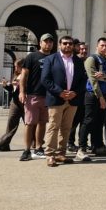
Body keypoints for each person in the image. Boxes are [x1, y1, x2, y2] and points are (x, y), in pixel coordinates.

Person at [40, 36, 86, 167]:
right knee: (53, 127)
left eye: (70, 44)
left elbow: (83, 80)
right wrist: (60, 92)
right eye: (65, 43)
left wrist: (75, 92)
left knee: (66, 128)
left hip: (72, 99)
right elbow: (45, 79)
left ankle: (61, 153)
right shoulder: (50, 59)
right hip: (56, 99)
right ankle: (50, 155)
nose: (68, 46)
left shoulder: (78, 61)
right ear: (60, 45)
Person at [18, 33, 54, 162]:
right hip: (33, 95)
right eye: (46, 41)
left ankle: (39, 148)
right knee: (29, 123)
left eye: (50, 42)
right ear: (40, 43)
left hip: (48, 96)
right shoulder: (32, 57)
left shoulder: (54, 57)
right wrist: (22, 92)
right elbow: (24, 75)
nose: (48, 44)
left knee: (42, 123)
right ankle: (26, 150)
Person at [82, 38, 106, 159]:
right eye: (102, 45)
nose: (104, 47)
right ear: (97, 46)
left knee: (99, 122)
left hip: (105, 93)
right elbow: (93, 80)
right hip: (93, 94)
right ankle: (81, 147)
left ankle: (98, 146)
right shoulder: (91, 59)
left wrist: (104, 76)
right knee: (88, 121)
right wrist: (100, 97)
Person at [0, 59, 24, 151]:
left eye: (17, 66)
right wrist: (6, 85)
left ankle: (37, 143)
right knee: (11, 123)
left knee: (29, 124)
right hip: (15, 102)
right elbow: (12, 89)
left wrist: (20, 85)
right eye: (15, 66)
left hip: (24, 102)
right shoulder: (16, 75)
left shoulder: (27, 75)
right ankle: (4, 143)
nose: (15, 68)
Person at [68, 40, 92, 151]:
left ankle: (83, 142)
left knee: (84, 122)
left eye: (85, 49)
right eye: (82, 49)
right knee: (73, 122)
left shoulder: (90, 62)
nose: (84, 51)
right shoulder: (74, 62)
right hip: (75, 97)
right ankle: (70, 143)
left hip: (86, 97)